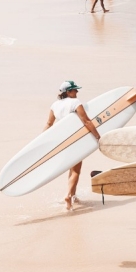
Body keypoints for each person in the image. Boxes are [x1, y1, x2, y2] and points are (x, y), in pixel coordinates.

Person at [46, 81, 101, 211]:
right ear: (68, 92)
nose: (77, 92)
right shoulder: (75, 103)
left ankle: (73, 196)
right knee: (76, 170)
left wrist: (42, 142)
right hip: (75, 139)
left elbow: (49, 124)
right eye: (74, 90)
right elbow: (86, 121)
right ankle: (69, 196)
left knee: (72, 169)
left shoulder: (55, 105)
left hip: (62, 141)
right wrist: (98, 137)